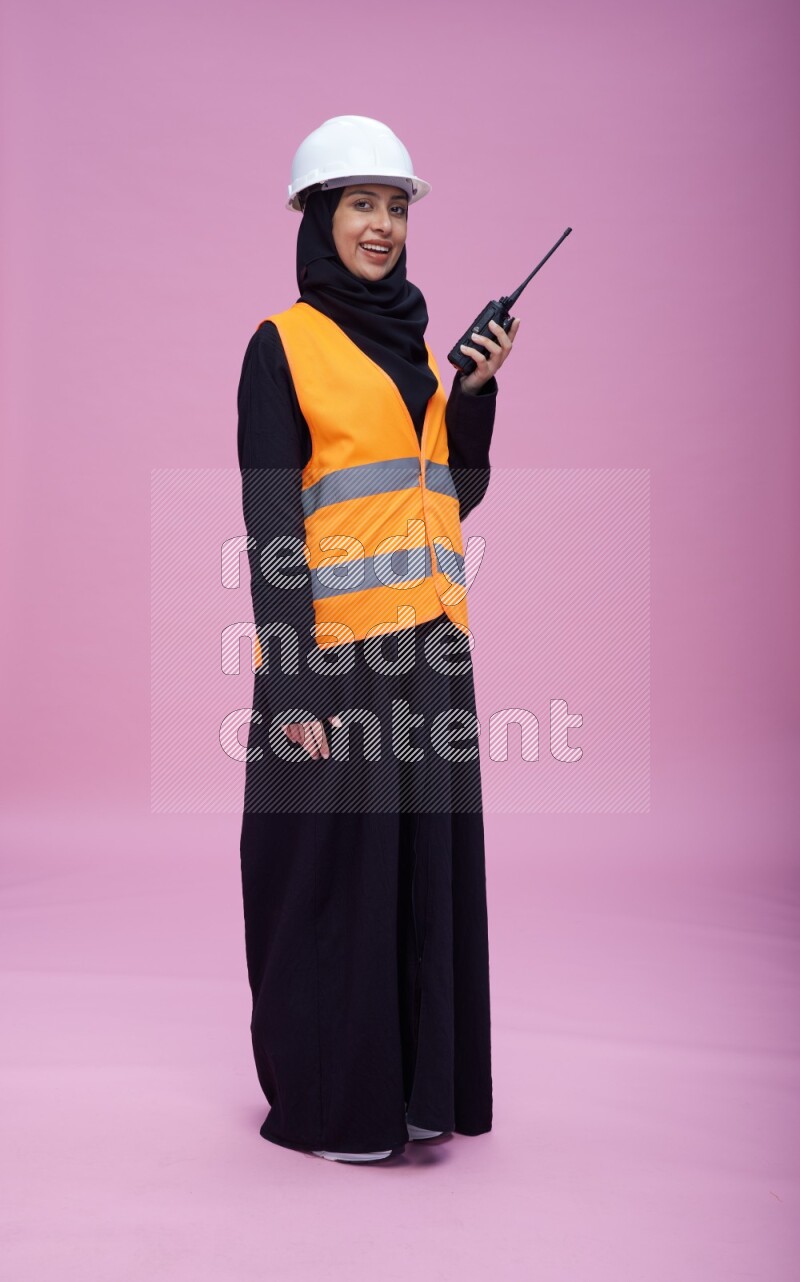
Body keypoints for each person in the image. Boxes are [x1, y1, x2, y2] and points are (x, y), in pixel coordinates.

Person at [237, 115, 519, 1163]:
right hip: (340, 661)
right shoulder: (283, 346)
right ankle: (337, 1100)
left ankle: (411, 1091)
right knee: (332, 879)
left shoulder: (418, 348)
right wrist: (297, 688)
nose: (382, 226)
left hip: (433, 656)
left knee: (417, 875)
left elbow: (452, 495)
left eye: (396, 208)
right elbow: (272, 528)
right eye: (361, 203)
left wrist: (475, 395)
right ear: (317, 216)